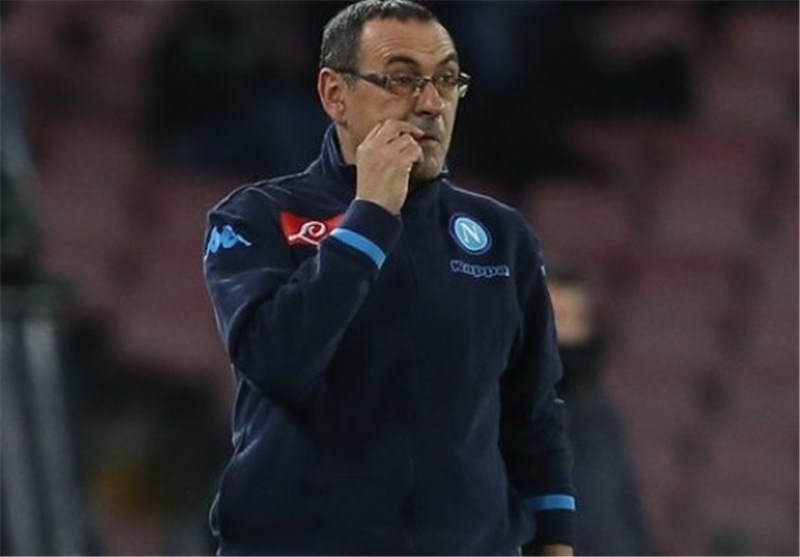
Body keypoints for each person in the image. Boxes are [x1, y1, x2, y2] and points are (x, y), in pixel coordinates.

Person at [202, 1, 576, 554]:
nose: (430, 104)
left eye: (446, 80)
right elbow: (279, 363)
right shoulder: (256, 217)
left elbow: (532, 414)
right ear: (335, 94)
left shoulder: (502, 236)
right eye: (402, 80)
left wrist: (556, 543)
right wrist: (371, 215)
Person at [548, 269, 654, 555]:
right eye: (551, 318)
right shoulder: (492, 410)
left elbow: (624, 509)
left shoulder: (599, 413)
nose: (560, 334)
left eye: (571, 320)